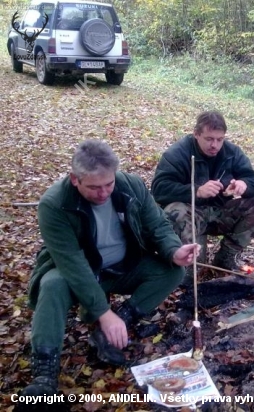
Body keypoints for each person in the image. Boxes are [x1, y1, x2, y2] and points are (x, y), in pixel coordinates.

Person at [21, 140, 200, 399]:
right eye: (94, 187)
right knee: (52, 285)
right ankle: (44, 372)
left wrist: (174, 250)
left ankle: (117, 326)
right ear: (75, 179)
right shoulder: (54, 204)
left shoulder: (131, 185)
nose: (104, 193)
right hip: (80, 270)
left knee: (172, 271)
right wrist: (103, 312)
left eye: (109, 184)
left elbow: (157, 225)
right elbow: (72, 264)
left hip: (124, 265)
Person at [151, 110, 254, 271]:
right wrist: (196, 191)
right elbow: (159, 188)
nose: (214, 145)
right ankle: (187, 260)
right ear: (196, 134)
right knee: (194, 268)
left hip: (221, 212)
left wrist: (244, 184)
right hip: (191, 215)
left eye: (219, 139)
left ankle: (227, 255)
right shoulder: (178, 153)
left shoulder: (231, 153)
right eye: (209, 139)